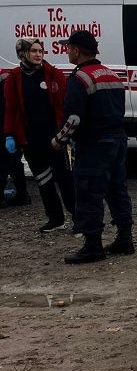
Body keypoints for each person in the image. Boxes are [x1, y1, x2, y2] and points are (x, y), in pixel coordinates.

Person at [53, 30, 133, 264]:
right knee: (117, 190)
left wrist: (59, 139)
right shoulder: (111, 75)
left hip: (94, 145)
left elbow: (74, 119)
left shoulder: (80, 78)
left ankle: (93, 246)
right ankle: (125, 239)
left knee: (89, 193)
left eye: (68, 47)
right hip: (117, 140)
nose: (66, 51)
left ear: (77, 51)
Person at [4, 39, 75, 231]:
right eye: (33, 51)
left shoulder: (53, 74)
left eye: (40, 51)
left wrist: (67, 132)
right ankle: (56, 219)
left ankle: (79, 218)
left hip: (55, 137)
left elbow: (65, 104)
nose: (38, 54)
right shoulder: (15, 77)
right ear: (23, 53)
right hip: (30, 138)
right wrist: (9, 134)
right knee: (44, 180)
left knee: (64, 178)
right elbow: (11, 108)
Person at [0, 70, 32, 209]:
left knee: (4, 162)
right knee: (13, 162)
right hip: (12, 129)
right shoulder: (10, 76)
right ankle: (22, 194)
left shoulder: (7, 78)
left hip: (7, 129)